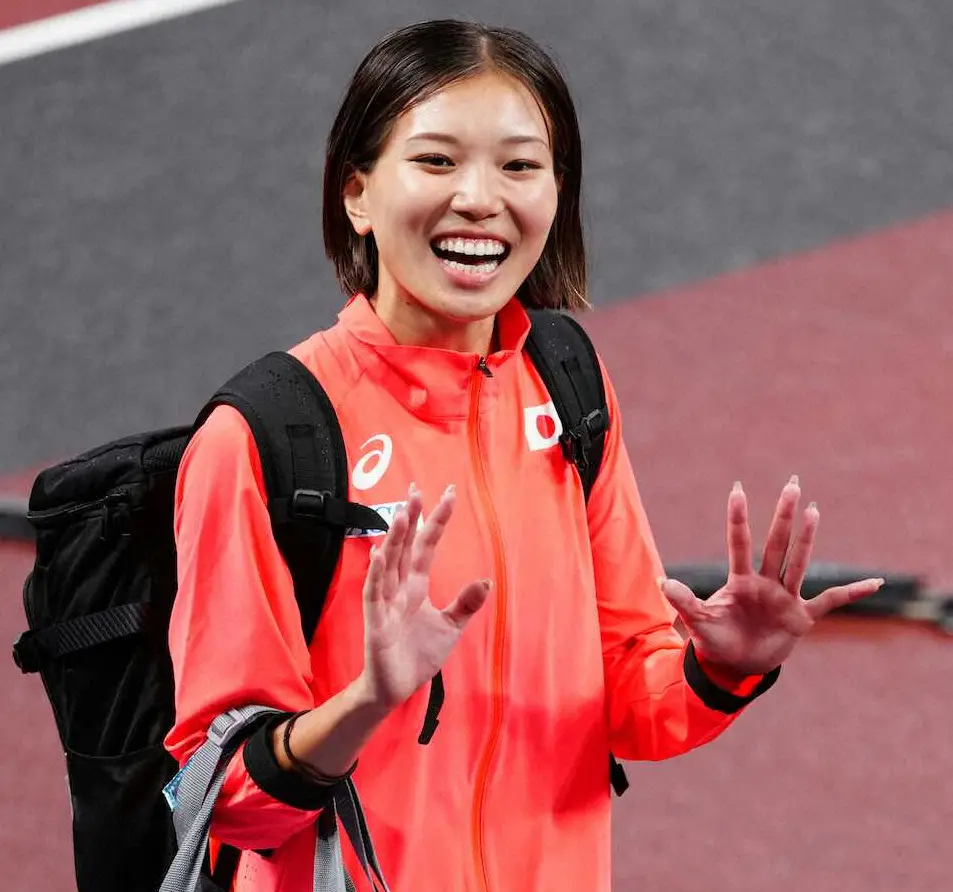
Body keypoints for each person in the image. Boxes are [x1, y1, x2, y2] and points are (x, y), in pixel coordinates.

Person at [164, 18, 884, 892]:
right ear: (356, 192)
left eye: (518, 165)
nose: (479, 198)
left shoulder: (566, 382)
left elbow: (627, 703)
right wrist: (365, 703)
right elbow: (221, 800)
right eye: (434, 161)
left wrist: (719, 667)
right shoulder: (264, 436)